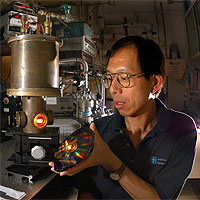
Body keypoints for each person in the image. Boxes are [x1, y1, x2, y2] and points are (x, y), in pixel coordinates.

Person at [49, 35, 197, 199]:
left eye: (124, 78)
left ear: (155, 84)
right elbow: (87, 193)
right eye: (110, 78)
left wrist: (110, 162)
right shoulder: (97, 131)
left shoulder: (181, 129)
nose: (113, 89)